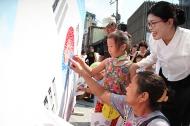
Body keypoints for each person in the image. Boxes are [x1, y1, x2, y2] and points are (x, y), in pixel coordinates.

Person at [131, 1, 190, 126]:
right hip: (164, 78)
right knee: (160, 112)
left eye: (153, 23)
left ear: (169, 22)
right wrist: (137, 65)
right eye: (148, 24)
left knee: (180, 116)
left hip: (184, 82)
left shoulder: (187, 39)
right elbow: (154, 56)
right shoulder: (154, 38)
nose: (150, 28)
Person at [69, 59, 172, 126]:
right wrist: (81, 72)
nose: (127, 88)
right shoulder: (128, 106)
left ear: (143, 96)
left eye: (131, 86)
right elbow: (102, 93)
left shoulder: (157, 124)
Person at [73, 30, 136, 126]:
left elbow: (135, 89)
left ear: (123, 46)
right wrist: (81, 62)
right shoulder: (108, 61)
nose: (109, 50)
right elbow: (91, 72)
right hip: (102, 102)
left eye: (111, 46)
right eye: (108, 46)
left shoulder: (131, 66)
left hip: (119, 106)